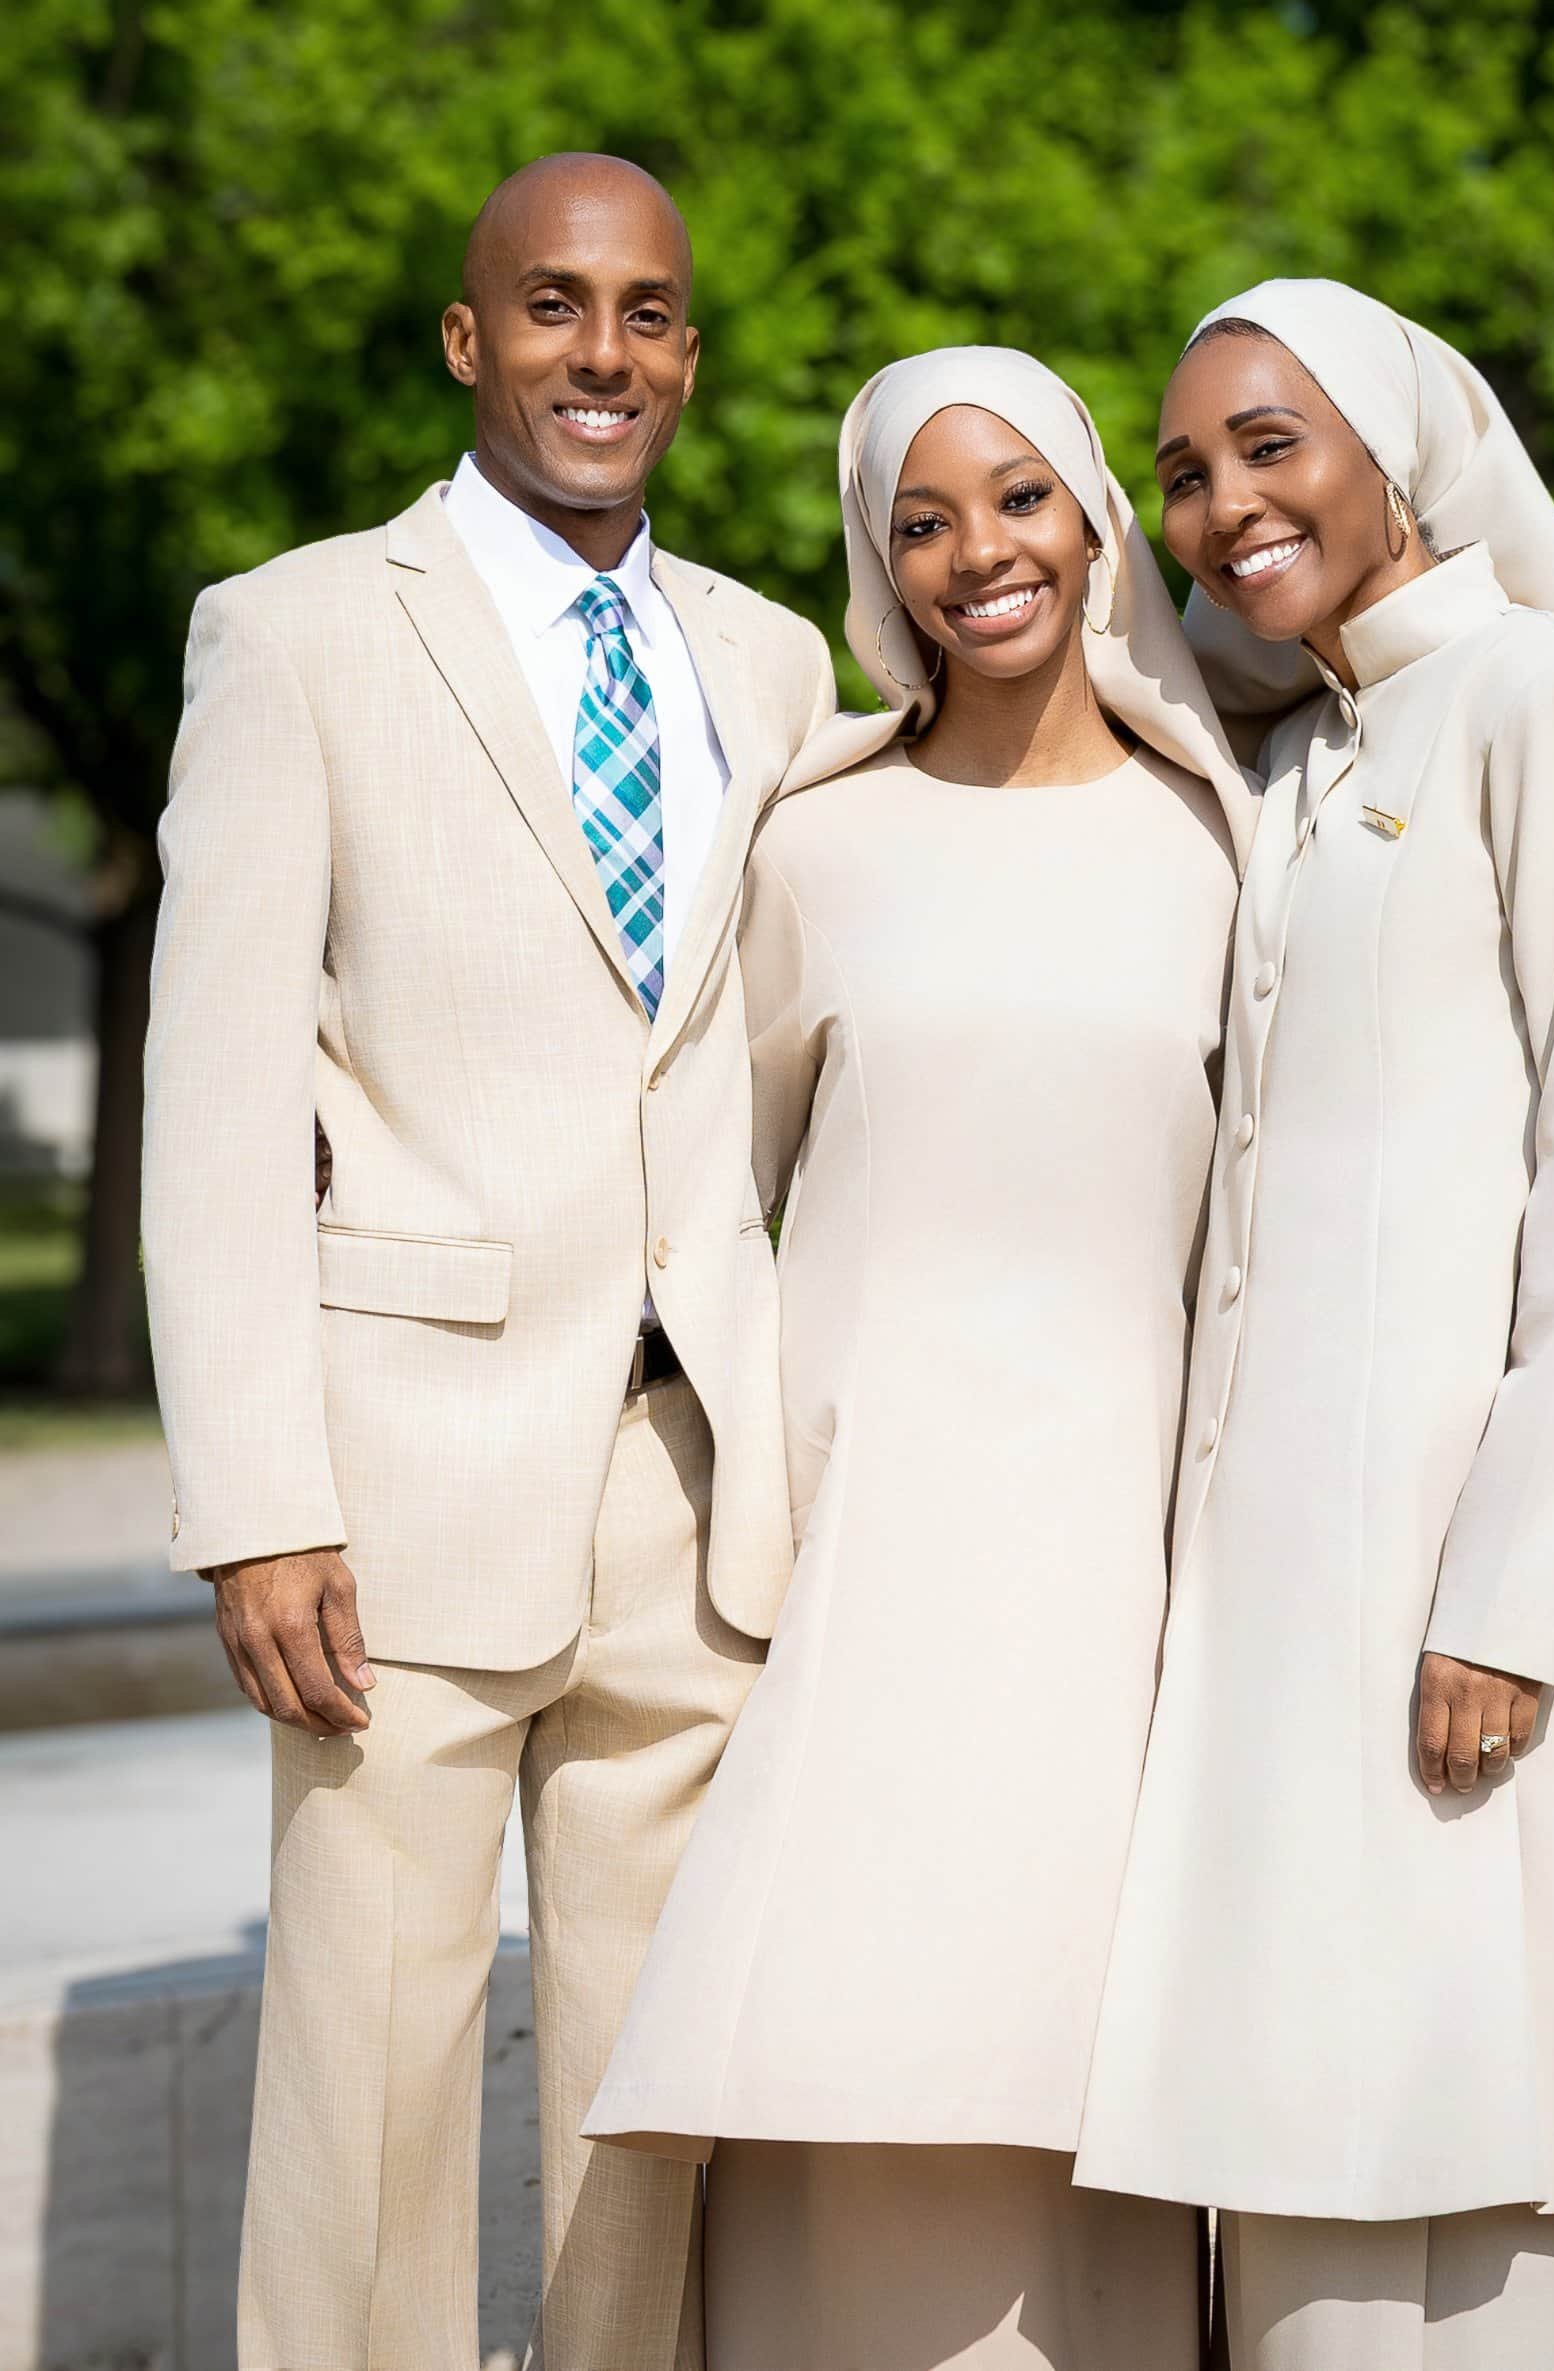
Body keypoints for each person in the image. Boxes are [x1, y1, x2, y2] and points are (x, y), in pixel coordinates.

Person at [141, 154, 833, 2370]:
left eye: (643, 314)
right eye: (552, 307)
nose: (599, 354)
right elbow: (218, 1089)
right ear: (470, 339)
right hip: (394, 1473)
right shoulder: (301, 629)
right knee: (370, 2088)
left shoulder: (778, 657)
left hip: (691, 1476)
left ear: (689, 355)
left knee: (659, 2103)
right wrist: (259, 1500)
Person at [1074, 279, 1554, 2370]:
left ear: (1397, 449)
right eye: (1180, 472)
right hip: (1282, 1606)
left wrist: (1507, 1598)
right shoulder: (1295, 760)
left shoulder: (1540, 694)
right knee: (1306, 2147)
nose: (1220, 503)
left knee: (1512, 2153)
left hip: (1479, 1573)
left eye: (1270, 444)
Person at [583, 347, 1256, 2368]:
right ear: (879, 567)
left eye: (1022, 497)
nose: (983, 554)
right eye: (923, 519)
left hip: (1123, 1578)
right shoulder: (813, 843)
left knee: (1086, 2109)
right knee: (843, 2069)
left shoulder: (1220, 842)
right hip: (864, 1568)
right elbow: (704, 1183)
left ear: (1096, 520)